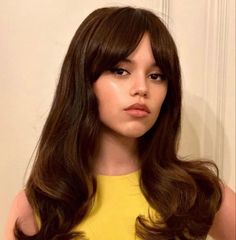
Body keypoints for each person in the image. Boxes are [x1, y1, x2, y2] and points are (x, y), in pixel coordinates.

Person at [4, 6, 235, 240]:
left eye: (156, 76)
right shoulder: (37, 207)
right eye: (121, 71)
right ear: (85, 80)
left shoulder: (198, 193)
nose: (142, 88)